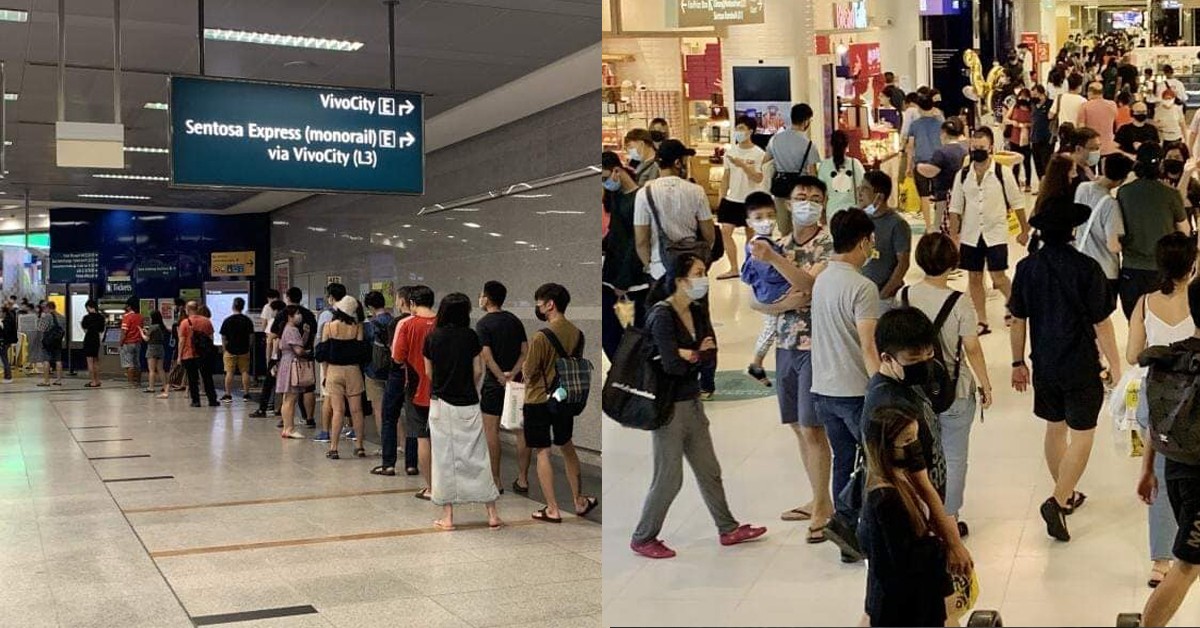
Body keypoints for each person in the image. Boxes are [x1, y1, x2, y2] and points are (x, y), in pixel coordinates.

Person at [630, 253, 766, 558]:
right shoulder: (661, 315)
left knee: (709, 469)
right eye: (699, 272)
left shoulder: (697, 309)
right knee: (669, 477)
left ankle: (728, 528)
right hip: (669, 408)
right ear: (680, 280)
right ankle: (643, 536)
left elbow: (709, 354)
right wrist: (693, 355)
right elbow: (671, 365)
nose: (704, 278)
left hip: (692, 401)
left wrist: (688, 355)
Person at [1009, 197, 1122, 542]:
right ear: (1073, 232)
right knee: (1084, 433)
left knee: (1054, 428)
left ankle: (1066, 494)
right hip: (1080, 362)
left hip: (1044, 361)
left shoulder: (1027, 268)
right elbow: (1102, 324)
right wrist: (1117, 368)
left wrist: (1017, 362)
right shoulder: (1087, 268)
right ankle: (1058, 500)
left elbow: (1018, 319)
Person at [746, 177, 834, 532]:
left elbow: (810, 287)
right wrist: (780, 303)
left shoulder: (827, 244)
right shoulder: (777, 243)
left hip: (814, 346)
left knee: (813, 428)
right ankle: (816, 497)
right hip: (784, 345)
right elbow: (757, 297)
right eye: (800, 197)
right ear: (788, 203)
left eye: (814, 198)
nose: (807, 203)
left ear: (824, 204)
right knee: (798, 427)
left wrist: (777, 264)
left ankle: (823, 507)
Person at [904, 234, 993, 537]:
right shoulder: (960, 302)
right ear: (953, 263)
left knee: (919, 455)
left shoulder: (904, 297)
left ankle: (922, 514)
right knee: (953, 457)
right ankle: (949, 519)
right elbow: (972, 348)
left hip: (914, 392)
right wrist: (985, 384)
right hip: (955, 389)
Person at [809, 208, 882, 560]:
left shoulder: (822, 278)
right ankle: (866, 532)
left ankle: (845, 531)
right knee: (872, 465)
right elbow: (868, 345)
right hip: (855, 391)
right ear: (864, 241)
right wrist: (882, 387)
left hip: (824, 389)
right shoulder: (862, 287)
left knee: (843, 462)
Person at [1127, 233, 1196, 589]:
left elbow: (1131, 355)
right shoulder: (1197, 301)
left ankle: (1160, 561)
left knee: (1160, 475)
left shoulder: (1143, 303)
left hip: (1157, 398)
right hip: (1194, 400)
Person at [1136, 280, 1200, 626]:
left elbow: (1157, 419)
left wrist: (1148, 470)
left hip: (1174, 467)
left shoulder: (1171, 357)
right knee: (1187, 565)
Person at [859, 406, 956, 627]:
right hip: (905, 604)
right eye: (907, 441)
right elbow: (903, 558)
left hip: (902, 597)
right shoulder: (886, 499)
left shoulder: (896, 482)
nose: (914, 446)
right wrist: (941, 547)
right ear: (886, 447)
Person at [423, 292, 503, 531]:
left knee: (444, 460)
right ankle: (492, 513)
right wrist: (469, 388)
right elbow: (478, 370)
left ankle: (447, 517)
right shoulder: (470, 336)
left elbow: (429, 373)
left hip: (440, 404)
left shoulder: (432, 337)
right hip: (467, 402)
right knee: (478, 457)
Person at [523, 283, 599, 523]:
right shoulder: (578, 333)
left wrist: (525, 370)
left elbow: (529, 372)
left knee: (542, 451)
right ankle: (578, 500)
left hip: (538, 399)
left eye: (539, 302)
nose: (537, 306)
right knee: (566, 445)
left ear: (550, 304)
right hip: (564, 398)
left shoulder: (540, 337)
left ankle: (552, 508)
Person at [948, 127, 1029, 335]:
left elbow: (1017, 202)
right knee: (974, 277)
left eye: (982, 147)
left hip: (996, 232)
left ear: (991, 147)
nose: (977, 151)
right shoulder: (963, 175)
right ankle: (982, 320)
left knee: (998, 276)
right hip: (971, 234)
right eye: (974, 147)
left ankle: (1014, 305)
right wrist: (954, 236)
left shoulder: (1002, 173)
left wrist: (1024, 229)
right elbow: (955, 207)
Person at [1118, 143, 1191, 319]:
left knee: (1135, 323)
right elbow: (1185, 230)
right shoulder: (1170, 194)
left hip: (1131, 268)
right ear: (1161, 165)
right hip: (1162, 268)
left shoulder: (1124, 192)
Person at [633, 139, 716, 281]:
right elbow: (709, 235)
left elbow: (641, 241)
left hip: (660, 269)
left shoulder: (644, 194)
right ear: (678, 163)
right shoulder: (697, 191)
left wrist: (649, 266)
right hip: (692, 268)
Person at [476, 280, 530, 494]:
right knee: (520, 430)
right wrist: (513, 374)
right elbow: (525, 351)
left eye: (481, 294)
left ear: (487, 298)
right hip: (516, 381)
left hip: (493, 383)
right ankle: (523, 479)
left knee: (491, 430)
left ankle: (496, 480)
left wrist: (500, 377)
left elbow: (486, 356)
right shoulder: (514, 321)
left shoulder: (483, 324)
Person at [602, 151, 651, 360]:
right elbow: (615, 233)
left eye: (605, 178)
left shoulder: (639, 198)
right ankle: (624, 370)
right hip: (612, 273)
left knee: (639, 329)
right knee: (609, 328)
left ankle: (635, 372)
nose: (604, 183)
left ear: (617, 170)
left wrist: (623, 279)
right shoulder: (616, 196)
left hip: (634, 277)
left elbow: (636, 242)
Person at [392, 285, 438, 498]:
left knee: (422, 437)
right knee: (441, 438)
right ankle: (445, 482)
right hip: (443, 390)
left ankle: (431, 487)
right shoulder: (443, 324)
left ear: (411, 303)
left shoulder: (407, 325)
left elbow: (397, 358)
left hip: (417, 388)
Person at [372, 286, 420, 477]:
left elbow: (395, 352)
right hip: (417, 376)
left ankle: (388, 463)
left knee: (389, 417)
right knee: (413, 420)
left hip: (398, 374)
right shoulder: (422, 322)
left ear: (402, 301)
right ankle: (412, 463)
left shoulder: (397, 323)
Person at [1075, 154, 1133, 305]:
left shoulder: (1082, 188)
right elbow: (1113, 245)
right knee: (1101, 320)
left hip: (1079, 265)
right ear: (1122, 180)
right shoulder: (1111, 205)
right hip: (1104, 271)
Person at [716, 115, 767, 280]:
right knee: (725, 231)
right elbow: (726, 177)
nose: (739, 132)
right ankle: (733, 267)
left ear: (750, 131)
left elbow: (758, 178)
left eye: (742, 128)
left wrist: (743, 165)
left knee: (750, 235)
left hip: (750, 200)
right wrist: (721, 197)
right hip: (732, 200)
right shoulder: (730, 152)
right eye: (737, 128)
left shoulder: (759, 153)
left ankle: (749, 265)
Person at [321, 295, 367, 459]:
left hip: (334, 370)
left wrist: (326, 373)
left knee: (338, 410)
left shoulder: (329, 326)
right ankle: (360, 446)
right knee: (356, 410)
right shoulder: (357, 327)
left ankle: (334, 448)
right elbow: (361, 351)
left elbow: (323, 351)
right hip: (353, 370)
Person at [765, 103, 821, 237]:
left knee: (784, 228)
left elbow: (765, 161)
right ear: (806, 121)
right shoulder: (808, 144)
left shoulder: (775, 139)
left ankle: (786, 251)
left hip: (780, 187)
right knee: (801, 224)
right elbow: (812, 173)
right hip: (800, 190)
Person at [858, 171, 911, 300]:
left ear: (879, 197)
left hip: (884, 295)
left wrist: (884, 294)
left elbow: (903, 264)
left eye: (865, 189)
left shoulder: (897, 224)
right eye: (860, 187)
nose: (859, 192)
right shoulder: (859, 219)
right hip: (860, 293)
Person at [273, 288, 318, 427]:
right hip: (301, 360)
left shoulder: (282, 315)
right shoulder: (309, 315)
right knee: (307, 388)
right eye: (297, 314)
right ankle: (307, 418)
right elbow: (302, 345)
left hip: (289, 361)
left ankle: (285, 421)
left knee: (289, 394)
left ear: (287, 297)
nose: (299, 315)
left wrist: (273, 358)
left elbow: (274, 338)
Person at [917, 118, 970, 234]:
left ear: (944, 133)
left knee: (941, 230)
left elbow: (931, 171)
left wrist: (919, 166)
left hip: (943, 198)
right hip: (962, 197)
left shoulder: (941, 152)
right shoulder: (965, 150)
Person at [905, 94, 945, 231]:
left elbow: (910, 146)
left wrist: (908, 165)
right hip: (938, 162)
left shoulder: (915, 125)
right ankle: (937, 225)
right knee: (940, 195)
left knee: (924, 195)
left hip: (920, 163)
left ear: (919, 108)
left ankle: (928, 226)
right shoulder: (940, 124)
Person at [362, 290, 393, 454]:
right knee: (393, 408)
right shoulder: (393, 321)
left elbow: (365, 347)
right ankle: (400, 443)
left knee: (379, 409)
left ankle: (385, 444)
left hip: (374, 371)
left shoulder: (370, 325)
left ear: (370, 306)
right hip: (392, 370)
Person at [276, 304, 311, 439]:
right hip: (292, 364)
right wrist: (307, 353)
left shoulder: (287, 329)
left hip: (286, 363)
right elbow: (299, 350)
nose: (299, 316)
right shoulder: (292, 330)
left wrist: (306, 333)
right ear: (290, 316)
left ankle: (286, 428)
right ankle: (289, 428)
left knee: (287, 398)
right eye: (297, 313)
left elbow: (298, 344)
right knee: (291, 398)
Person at [817, 130, 866, 223]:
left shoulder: (824, 166)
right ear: (847, 146)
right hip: (852, 212)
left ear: (831, 145)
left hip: (832, 212)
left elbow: (822, 194)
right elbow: (862, 188)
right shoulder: (855, 164)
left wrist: (822, 212)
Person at [251, 296, 288, 417]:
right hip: (287, 356)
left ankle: (262, 409)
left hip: (276, 357)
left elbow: (270, 341)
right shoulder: (289, 320)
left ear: (276, 310)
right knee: (283, 384)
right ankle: (280, 408)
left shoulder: (274, 321)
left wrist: (268, 359)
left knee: (268, 384)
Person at [179, 301, 218, 408]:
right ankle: (212, 400)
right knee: (207, 377)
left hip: (189, 354)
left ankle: (196, 401)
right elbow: (211, 338)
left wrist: (179, 356)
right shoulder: (206, 321)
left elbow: (181, 341)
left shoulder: (184, 323)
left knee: (192, 379)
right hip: (204, 354)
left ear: (188, 309)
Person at [1076, 82, 1118, 172]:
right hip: (1108, 146)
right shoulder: (1112, 105)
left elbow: (1081, 128)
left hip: (1090, 147)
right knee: (1106, 174)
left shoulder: (1085, 106)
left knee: (1090, 174)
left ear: (1090, 92)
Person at [218, 297, 253, 402]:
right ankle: (246, 394)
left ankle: (228, 395)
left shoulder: (227, 320)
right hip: (244, 350)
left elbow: (223, 337)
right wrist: (248, 347)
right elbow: (251, 336)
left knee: (229, 372)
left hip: (230, 350)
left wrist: (225, 349)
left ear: (233, 306)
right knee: (245, 372)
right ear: (243, 307)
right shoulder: (247, 320)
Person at [1004, 87, 1035, 189]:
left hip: (1026, 138)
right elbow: (1006, 119)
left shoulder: (1031, 109)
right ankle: (1015, 182)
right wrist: (1014, 123)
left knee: (1027, 162)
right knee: (1015, 162)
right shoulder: (1015, 107)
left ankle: (1028, 183)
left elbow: (1034, 122)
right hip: (1015, 137)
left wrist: (1027, 125)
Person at [1050, 73, 1087, 145]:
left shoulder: (1059, 98)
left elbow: (1050, 115)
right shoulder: (1083, 101)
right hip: (1076, 135)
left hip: (1062, 134)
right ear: (1079, 86)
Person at [1030, 84, 1056, 179]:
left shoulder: (1051, 104)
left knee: (1046, 163)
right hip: (1035, 138)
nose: (1034, 97)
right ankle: (1041, 184)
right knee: (1038, 164)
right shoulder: (1032, 104)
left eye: (1036, 95)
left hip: (1047, 138)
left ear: (1042, 94)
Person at [36, 301, 64, 387]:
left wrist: (41, 318)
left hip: (48, 341)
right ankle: (58, 380)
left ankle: (46, 381)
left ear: (48, 308)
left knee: (46, 360)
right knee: (58, 360)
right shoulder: (61, 316)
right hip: (58, 341)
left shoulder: (47, 316)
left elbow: (41, 328)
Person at [119, 298, 143, 388]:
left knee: (129, 364)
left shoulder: (126, 317)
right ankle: (138, 382)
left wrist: (121, 342)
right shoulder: (140, 316)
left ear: (129, 306)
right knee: (137, 363)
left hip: (128, 343)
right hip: (137, 343)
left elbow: (124, 332)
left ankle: (131, 383)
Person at [140, 311, 167, 395]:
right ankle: (164, 386)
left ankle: (151, 387)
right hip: (160, 348)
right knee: (160, 369)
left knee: (151, 370)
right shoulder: (162, 326)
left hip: (152, 348)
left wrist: (141, 332)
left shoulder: (152, 327)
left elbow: (146, 339)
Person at [0, 301, 14, 383]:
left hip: (4, 342)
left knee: (4, 359)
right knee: (4, 358)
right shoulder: (7, 319)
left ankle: (8, 376)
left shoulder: (7, 321)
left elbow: (5, 332)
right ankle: (7, 376)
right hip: (5, 342)